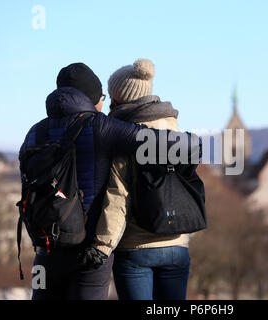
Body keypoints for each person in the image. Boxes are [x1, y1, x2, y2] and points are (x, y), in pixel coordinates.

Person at [20, 62, 196, 300]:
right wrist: (192, 143)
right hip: (89, 253)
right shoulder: (101, 127)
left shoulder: (34, 132)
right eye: (102, 96)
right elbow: (165, 144)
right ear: (93, 98)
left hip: (46, 249)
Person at [92, 59, 191, 300]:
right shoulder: (176, 133)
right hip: (177, 245)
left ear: (121, 99)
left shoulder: (126, 138)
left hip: (136, 248)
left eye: (112, 98)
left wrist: (101, 248)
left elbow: (117, 197)